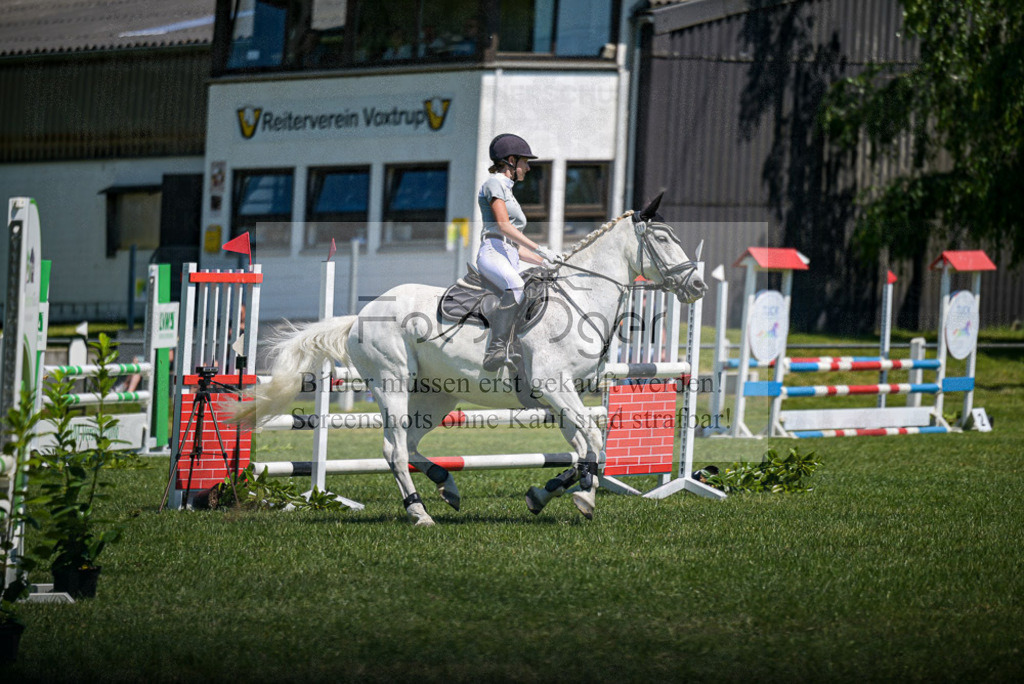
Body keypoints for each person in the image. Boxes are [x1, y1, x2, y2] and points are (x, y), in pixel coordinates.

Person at [476, 133, 559, 371]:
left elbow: (515, 246)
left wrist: (545, 260)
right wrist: (540, 247)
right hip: (492, 252)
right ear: (511, 160)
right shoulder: (494, 183)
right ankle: (496, 348)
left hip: (508, 252)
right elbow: (503, 227)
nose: (528, 168)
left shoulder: (509, 190)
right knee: (516, 286)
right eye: (525, 162)